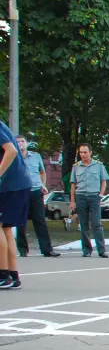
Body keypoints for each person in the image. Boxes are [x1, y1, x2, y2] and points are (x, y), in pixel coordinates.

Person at [14, 135, 58, 257]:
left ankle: (47, 249)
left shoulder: (35, 156)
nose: (20, 143)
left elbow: (42, 172)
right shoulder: (13, 156)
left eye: (22, 141)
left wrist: (43, 185)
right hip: (20, 192)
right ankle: (23, 249)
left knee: (40, 220)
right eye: (17, 141)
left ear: (27, 143)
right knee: (21, 222)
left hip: (35, 191)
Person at [0, 121, 29, 290]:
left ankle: (3, 275)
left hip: (11, 186)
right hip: (19, 184)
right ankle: (12, 275)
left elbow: (11, 151)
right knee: (6, 229)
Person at [68, 144, 109, 258]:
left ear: (90, 152)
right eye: (81, 152)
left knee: (96, 224)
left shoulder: (98, 165)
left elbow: (104, 181)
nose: (83, 155)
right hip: (81, 196)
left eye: (85, 152)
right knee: (83, 224)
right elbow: (73, 184)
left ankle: (102, 250)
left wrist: (100, 195)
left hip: (94, 197)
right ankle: (86, 250)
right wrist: (72, 201)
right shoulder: (76, 167)